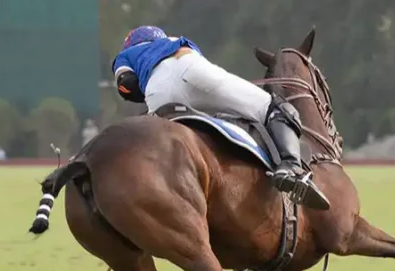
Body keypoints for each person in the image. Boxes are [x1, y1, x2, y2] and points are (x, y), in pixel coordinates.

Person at [110, 25, 330, 210]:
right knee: (273, 107)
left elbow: (126, 85)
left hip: (157, 91)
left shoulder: (125, 56)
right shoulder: (174, 41)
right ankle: (291, 167)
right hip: (194, 70)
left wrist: (143, 89)